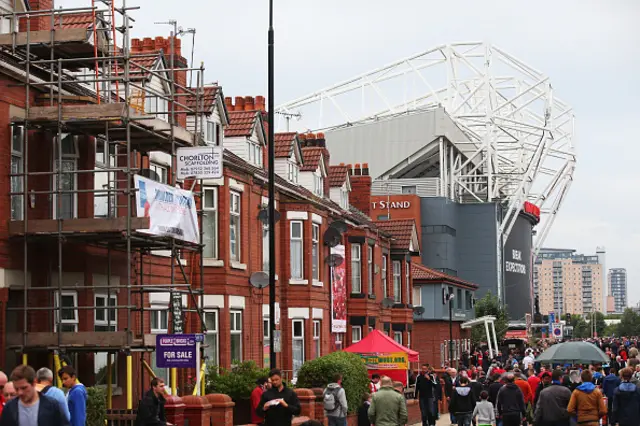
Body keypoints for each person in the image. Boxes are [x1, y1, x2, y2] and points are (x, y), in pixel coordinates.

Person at [0, 365, 69, 426]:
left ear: (34, 383)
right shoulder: (10, 408)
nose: (20, 392)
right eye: (16, 389)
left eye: (24, 388)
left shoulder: (52, 406)